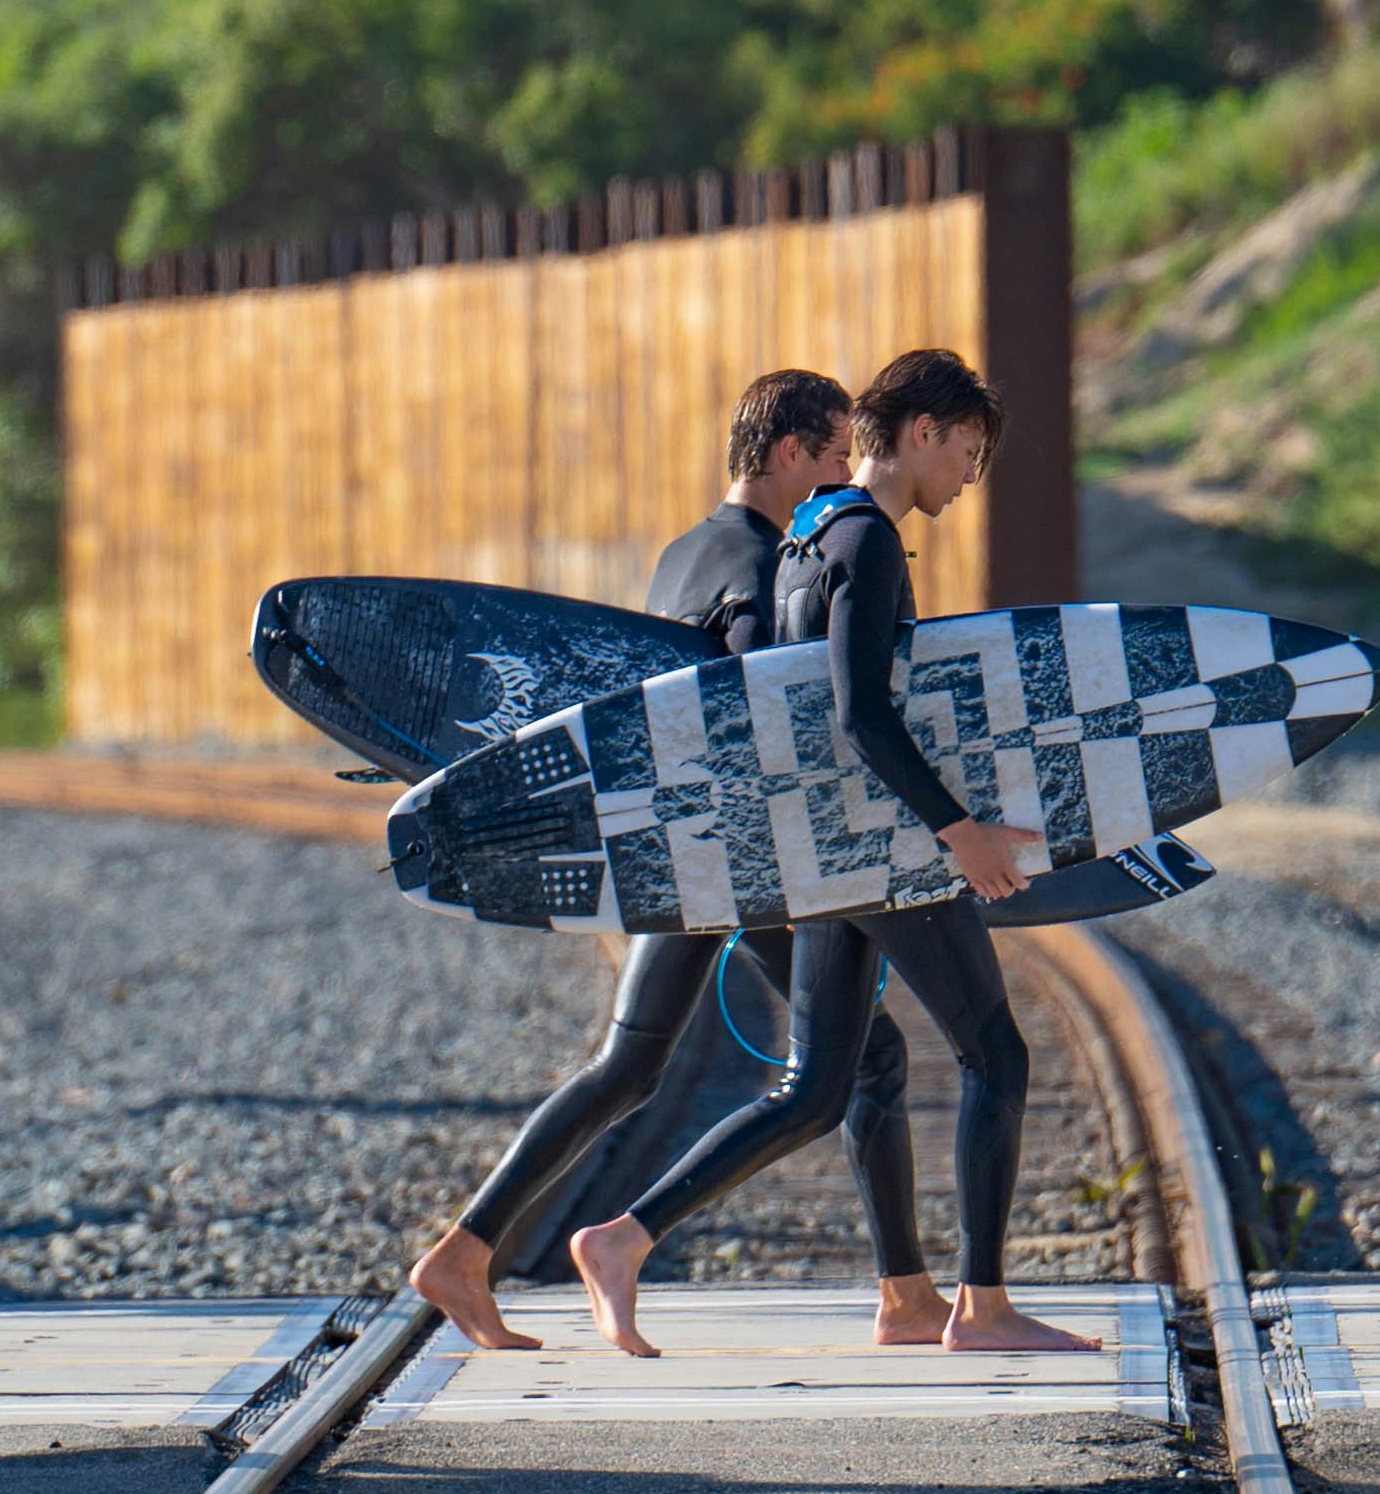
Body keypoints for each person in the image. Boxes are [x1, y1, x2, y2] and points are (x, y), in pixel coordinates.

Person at [569, 345, 1100, 1363]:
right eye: (968, 454)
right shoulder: (866, 542)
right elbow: (860, 713)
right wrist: (960, 831)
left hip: (824, 848)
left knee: (824, 1082)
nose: (966, 479)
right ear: (923, 433)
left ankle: (627, 1236)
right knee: (996, 1051)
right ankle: (980, 1305)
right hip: (878, 845)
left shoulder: (806, 535)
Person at [407, 368, 953, 1353]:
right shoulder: (760, 563)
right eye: (833, 458)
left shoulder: (682, 552)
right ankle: (873, 1285)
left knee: (630, 1066)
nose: (842, 480)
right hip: (742, 860)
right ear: (790, 453)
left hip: (676, 857)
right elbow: (766, 713)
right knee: (852, 1059)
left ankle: (465, 1249)